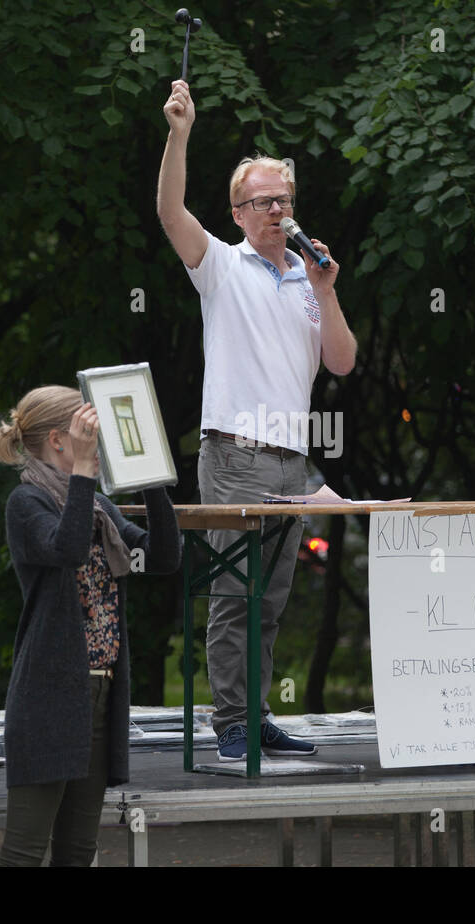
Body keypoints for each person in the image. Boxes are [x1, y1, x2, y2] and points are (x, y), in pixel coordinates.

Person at [156, 79, 357, 761]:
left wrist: (326, 291)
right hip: (237, 454)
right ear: (239, 212)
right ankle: (229, 725)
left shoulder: (308, 278)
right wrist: (179, 134)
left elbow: (343, 361)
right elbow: (169, 210)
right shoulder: (222, 265)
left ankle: (257, 711)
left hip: (291, 459)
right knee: (234, 594)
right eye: (265, 202)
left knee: (270, 598)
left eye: (285, 200)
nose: (278, 210)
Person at [0, 385, 180, 866]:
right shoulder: (27, 502)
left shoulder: (96, 507)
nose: (98, 441)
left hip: (99, 696)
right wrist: (83, 475)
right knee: (24, 851)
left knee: (78, 851)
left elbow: (161, 558)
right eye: (87, 430)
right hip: (48, 697)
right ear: (60, 439)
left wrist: (151, 475)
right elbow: (67, 549)